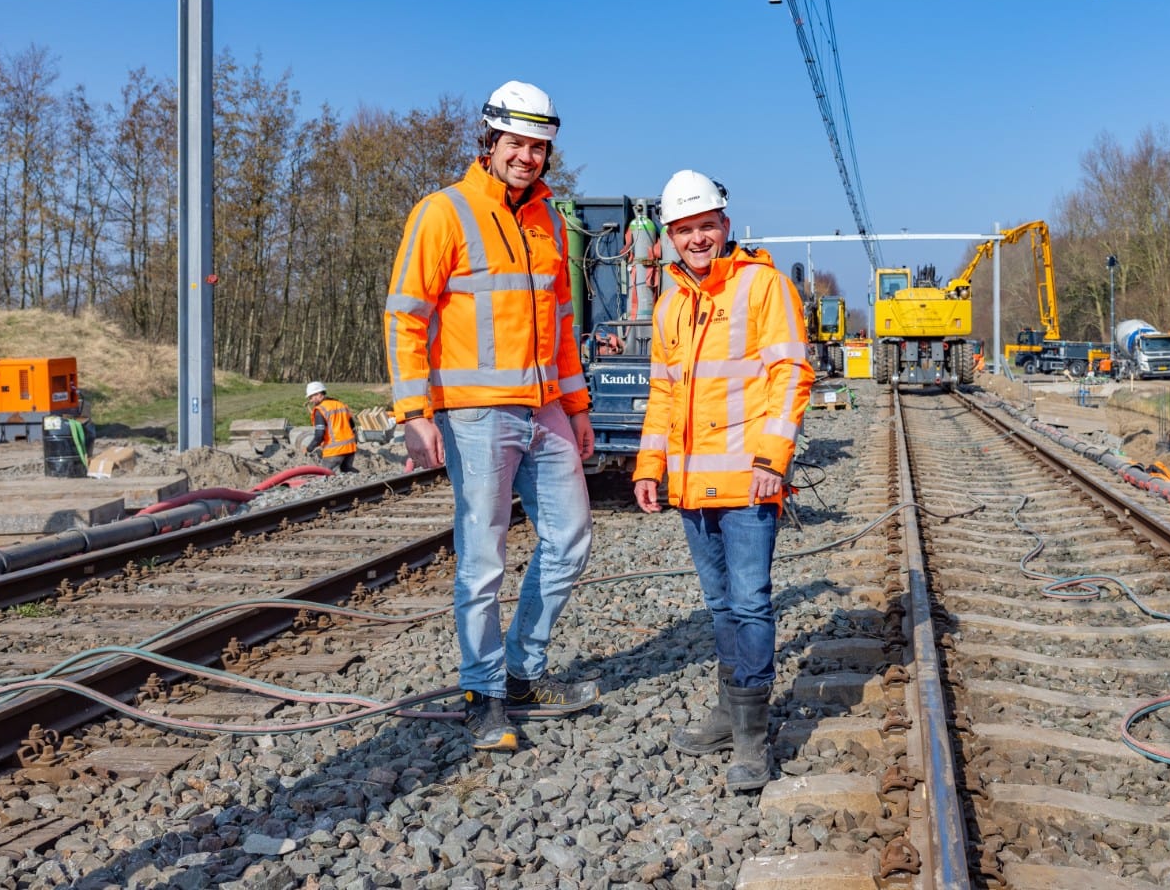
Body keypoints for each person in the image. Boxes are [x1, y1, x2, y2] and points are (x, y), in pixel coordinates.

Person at [385, 80, 597, 752]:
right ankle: (483, 694)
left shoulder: (550, 221)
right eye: (516, 143)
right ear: (490, 142)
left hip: (545, 409)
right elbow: (405, 317)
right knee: (483, 559)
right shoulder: (442, 212)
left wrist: (579, 404)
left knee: (569, 539)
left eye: (538, 146)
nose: (527, 156)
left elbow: (562, 323)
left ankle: (521, 671)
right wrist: (414, 412)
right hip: (474, 416)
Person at [632, 169, 813, 793]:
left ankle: (752, 738)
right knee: (718, 607)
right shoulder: (671, 303)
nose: (697, 238)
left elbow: (792, 374)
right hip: (689, 486)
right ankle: (727, 709)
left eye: (706, 226)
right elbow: (663, 392)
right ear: (670, 238)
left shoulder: (764, 287)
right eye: (684, 230)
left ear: (725, 227)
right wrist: (649, 466)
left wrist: (771, 460)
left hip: (748, 483)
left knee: (750, 603)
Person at [304, 382, 357, 473]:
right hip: (350, 448)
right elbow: (352, 426)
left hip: (334, 450)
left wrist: (309, 448)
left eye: (311, 397)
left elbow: (319, 435)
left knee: (326, 475)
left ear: (319, 394)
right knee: (348, 472)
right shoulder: (340, 404)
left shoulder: (321, 410)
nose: (311, 400)